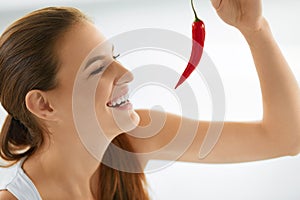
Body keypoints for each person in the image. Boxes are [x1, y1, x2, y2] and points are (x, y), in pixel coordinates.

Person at [0, 0, 299, 199]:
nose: (127, 74)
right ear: (44, 105)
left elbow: (285, 138)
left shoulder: (137, 138)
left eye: (113, 56)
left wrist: (255, 29)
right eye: (97, 68)